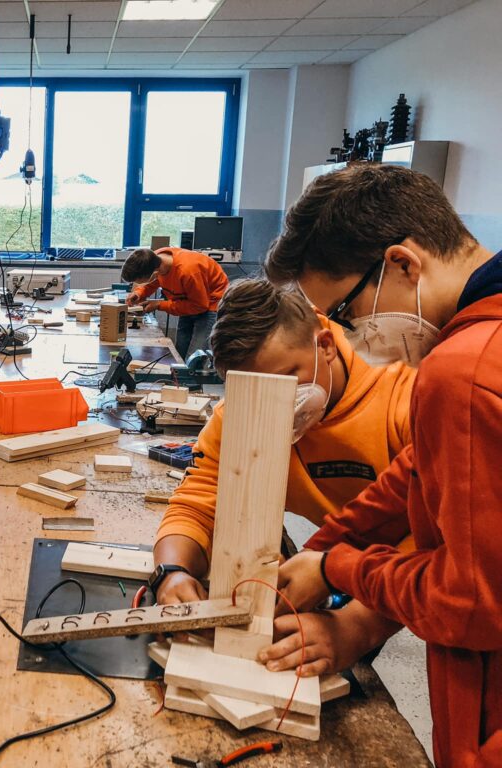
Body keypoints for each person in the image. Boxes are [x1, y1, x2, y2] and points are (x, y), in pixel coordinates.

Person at [265, 164, 501, 767]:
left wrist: (339, 568)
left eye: (345, 311)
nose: (349, 335)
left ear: (402, 263)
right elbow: (416, 475)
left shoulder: (463, 371)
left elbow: (470, 602)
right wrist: (321, 550)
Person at [151, 278, 415, 678]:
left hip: (406, 564)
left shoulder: (404, 398)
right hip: (335, 556)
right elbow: (198, 503)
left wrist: (357, 628)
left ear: (325, 345)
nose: (276, 404)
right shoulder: (239, 414)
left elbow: (440, 543)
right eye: (252, 387)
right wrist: (172, 573)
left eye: (289, 378)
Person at [121, 246, 229, 360]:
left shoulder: (188, 272)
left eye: (139, 282)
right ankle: (180, 371)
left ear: (155, 273)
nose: (138, 284)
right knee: (180, 352)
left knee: (195, 356)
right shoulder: (153, 260)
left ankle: (192, 371)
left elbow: (199, 306)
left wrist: (159, 305)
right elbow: (152, 283)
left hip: (210, 303)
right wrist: (139, 293)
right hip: (188, 298)